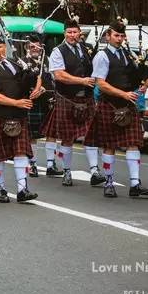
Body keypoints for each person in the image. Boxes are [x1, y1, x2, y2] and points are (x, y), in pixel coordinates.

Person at [84, 20, 148, 198]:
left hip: (128, 104)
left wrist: (145, 82)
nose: (119, 39)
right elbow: (101, 83)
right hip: (110, 104)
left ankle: (135, 184)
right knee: (110, 146)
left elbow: (139, 74)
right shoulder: (102, 56)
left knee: (133, 144)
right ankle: (108, 183)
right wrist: (123, 94)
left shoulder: (127, 54)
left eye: (122, 36)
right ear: (108, 36)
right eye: (116, 35)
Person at [41, 18, 106, 186]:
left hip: (87, 97)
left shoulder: (85, 49)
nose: (72, 35)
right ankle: (67, 171)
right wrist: (82, 81)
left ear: (79, 33)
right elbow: (59, 75)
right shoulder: (58, 51)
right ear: (65, 34)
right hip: (67, 98)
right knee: (67, 138)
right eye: (69, 32)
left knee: (91, 135)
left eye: (75, 32)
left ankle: (94, 170)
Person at [0, 32, 40, 204]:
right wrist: (16, 103)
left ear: (4, 46)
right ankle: (1, 188)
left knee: (21, 152)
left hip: (17, 116)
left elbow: (32, 79)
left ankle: (22, 189)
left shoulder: (13, 64)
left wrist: (37, 89)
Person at [22, 34, 56, 178]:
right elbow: (20, 83)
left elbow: (55, 81)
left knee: (52, 134)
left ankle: (50, 164)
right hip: (31, 103)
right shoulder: (22, 62)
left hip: (48, 102)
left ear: (41, 47)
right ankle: (33, 164)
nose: (34, 49)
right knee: (31, 136)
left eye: (37, 46)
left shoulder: (48, 61)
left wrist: (46, 89)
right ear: (26, 48)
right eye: (31, 46)